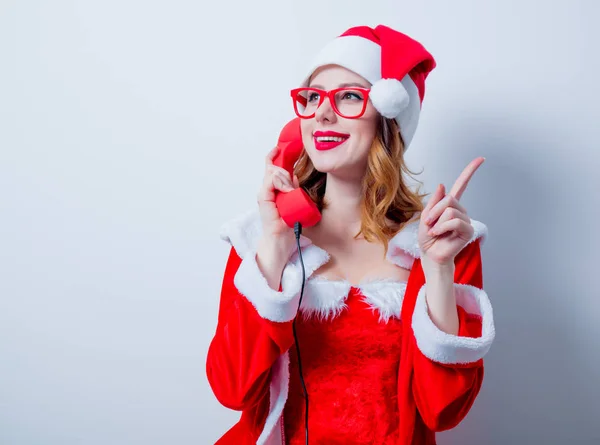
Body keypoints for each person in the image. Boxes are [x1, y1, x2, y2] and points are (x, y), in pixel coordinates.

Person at [206, 24, 495, 445]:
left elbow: (442, 410)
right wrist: (272, 247)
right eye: (312, 98)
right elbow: (232, 390)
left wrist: (438, 271)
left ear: (387, 119)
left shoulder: (439, 243)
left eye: (348, 96)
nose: (323, 112)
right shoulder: (260, 238)